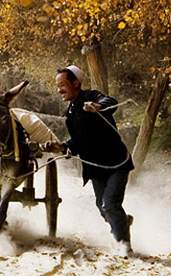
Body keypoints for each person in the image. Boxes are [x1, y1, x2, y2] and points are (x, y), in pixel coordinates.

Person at [45, 65, 134, 255]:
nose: (59, 89)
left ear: (75, 83)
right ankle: (123, 222)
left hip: (116, 163)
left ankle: (124, 247)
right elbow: (77, 143)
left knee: (110, 204)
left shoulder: (92, 96)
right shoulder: (69, 114)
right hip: (95, 168)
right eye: (58, 86)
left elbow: (110, 101)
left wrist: (98, 107)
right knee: (102, 208)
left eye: (63, 85)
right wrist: (61, 147)